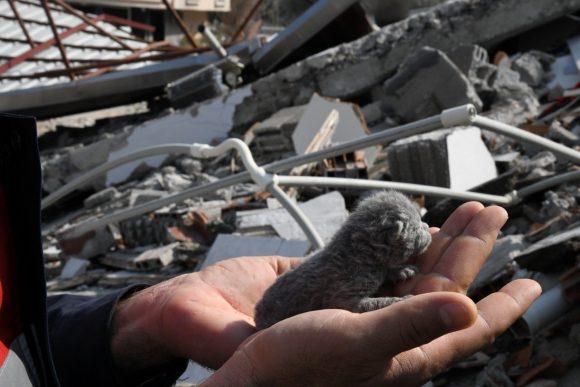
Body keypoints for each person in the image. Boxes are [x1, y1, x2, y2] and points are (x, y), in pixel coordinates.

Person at [0, 113, 541, 386]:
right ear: (378, 242)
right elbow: (354, 304)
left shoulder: (364, 255)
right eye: (408, 237)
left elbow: (15, 349)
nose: (422, 241)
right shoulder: (351, 271)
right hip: (277, 314)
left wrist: (131, 323)